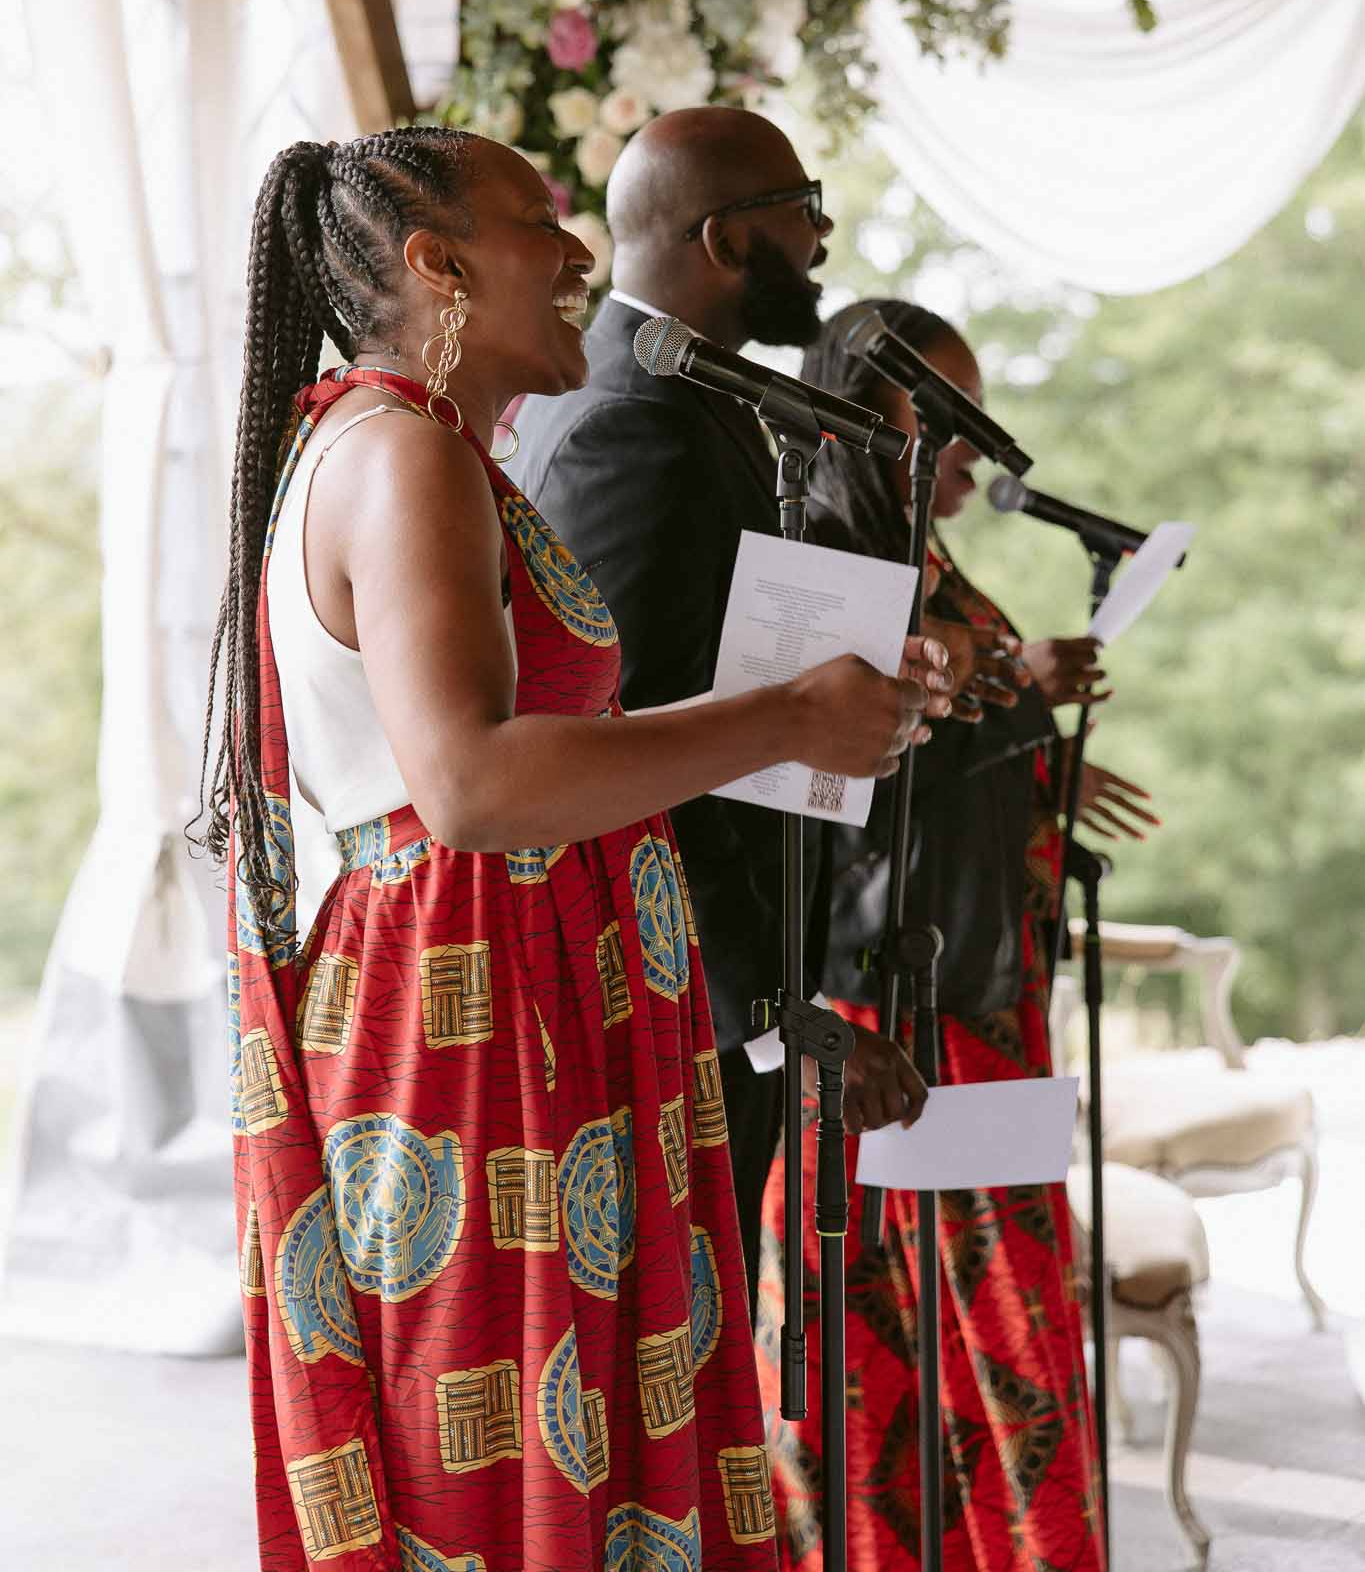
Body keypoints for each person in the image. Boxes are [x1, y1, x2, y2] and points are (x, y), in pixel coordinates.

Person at [198, 128, 933, 1572]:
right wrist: (784, 713)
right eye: (538, 221)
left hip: (525, 1013)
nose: (580, 253)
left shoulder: (416, 447)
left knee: (572, 1448)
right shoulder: (402, 455)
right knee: (503, 1453)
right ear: (438, 264)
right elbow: (468, 782)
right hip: (467, 1034)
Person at [513, 111, 948, 1317]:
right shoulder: (631, 424)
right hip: (677, 1001)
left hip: (706, 982)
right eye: (804, 207)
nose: (820, 237)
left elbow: (719, 665)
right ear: (723, 237)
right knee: (672, 1345)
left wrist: (872, 679)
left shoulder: (677, 394)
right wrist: (779, 1017)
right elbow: (629, 756)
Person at [757, 299, 1157, 1572]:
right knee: (959, 1334)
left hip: (984, 983)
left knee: (976, 1331)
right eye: (951, 419)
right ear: (868, 415)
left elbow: (937, 749)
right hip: (901, 1003)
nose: (977, 452)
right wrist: (1012, 701)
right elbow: (832, 772)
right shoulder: (825, 552)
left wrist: (1035, 759)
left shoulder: (916, 550)